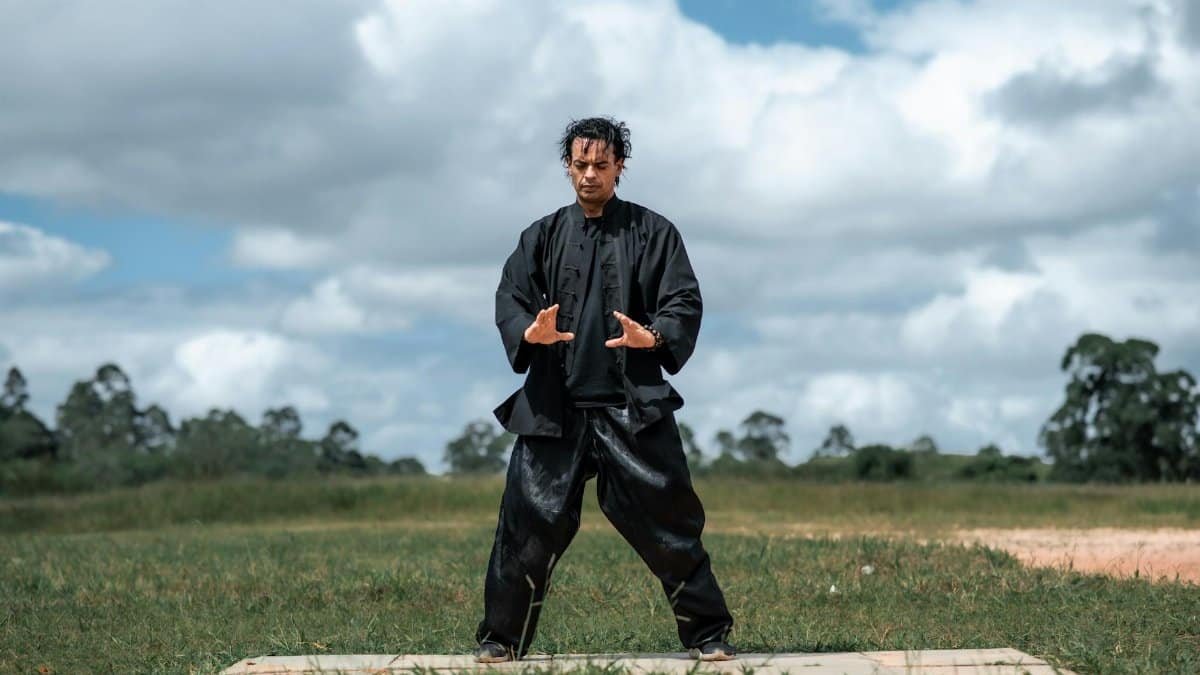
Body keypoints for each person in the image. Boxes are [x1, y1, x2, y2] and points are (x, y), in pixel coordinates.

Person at [473, 117, 736, 663]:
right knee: (526, 526)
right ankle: (501, 640)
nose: (589, 174)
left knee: (670, 522)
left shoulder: (654, 232)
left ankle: (708, 634)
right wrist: (529, 331)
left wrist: (655, 335)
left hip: (631, 407)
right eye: (579, 164)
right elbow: (511, 295)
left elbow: (683, 300)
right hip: (554, 409)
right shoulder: (541, 235)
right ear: (567, 166)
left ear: (620, 166)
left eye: (601, 164)